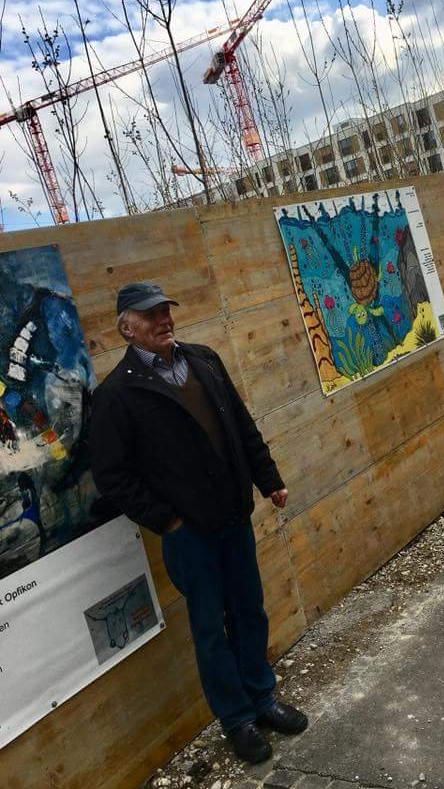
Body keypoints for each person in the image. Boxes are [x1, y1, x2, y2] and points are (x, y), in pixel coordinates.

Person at [89, 281, 307, 764]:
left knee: (249, 611)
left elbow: (241, 425)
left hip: (233, 515)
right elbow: (112, 476)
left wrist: (268, 479)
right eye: (150, 315)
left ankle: (262, 698)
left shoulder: (204, 360)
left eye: (165, 310)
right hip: (188, 535)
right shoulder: (116, 395)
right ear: (127, 328)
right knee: (210, 628)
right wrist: (167, 522)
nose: (163, 320)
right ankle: (237, 719)